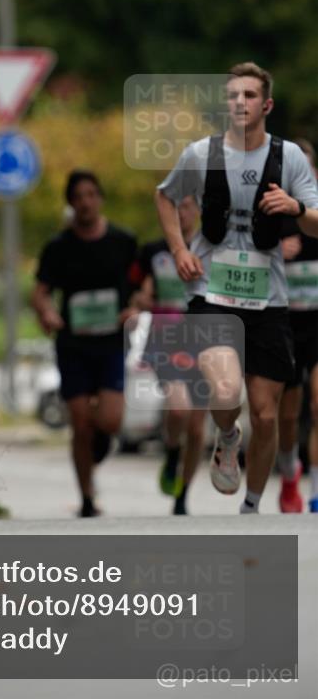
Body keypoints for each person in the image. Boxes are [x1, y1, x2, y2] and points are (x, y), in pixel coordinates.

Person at [156, 62, 318, 514]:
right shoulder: (201, 153)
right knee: (226, 391)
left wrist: (295, 206)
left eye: (249, 96)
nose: (240, 103)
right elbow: (165, 196)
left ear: (265, 104)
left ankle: (251, 505)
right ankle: (227, 434)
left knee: (266, 413)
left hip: (269, 299)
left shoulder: (290, 159)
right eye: (232, 96)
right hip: (210, 291)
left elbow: (316, 222)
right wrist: (179, 249)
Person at [32, 170, 137, 517]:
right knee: (79, 421)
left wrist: (134, 309)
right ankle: (88, 496)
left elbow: (141, 286)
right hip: (74, 344)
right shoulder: (58, 247)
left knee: (109, 421)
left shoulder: (123, 241)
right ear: (71, 203)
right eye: (79, 196)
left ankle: (100, 438)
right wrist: (47, 313)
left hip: (110, 343)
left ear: (100, 198)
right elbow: (41, 292)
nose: (86, 202)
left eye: (92, 194)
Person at [132, 196, 208, 515]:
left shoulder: (212, 250)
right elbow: (140, 294)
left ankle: (183, 495)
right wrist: (140, 306)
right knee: (179, 410)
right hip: (166, 340)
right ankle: (172, 453)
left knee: (197, 428)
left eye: (189, 206)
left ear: (199, 211)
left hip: (206, 341)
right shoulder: (154, 251)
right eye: (176, 206)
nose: (182, 213)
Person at [277, 139, 318, 512]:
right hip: (284, 325)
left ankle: (317, 490)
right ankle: (290, 473)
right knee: (288, 415)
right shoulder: (274, 212)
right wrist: (272, 248)